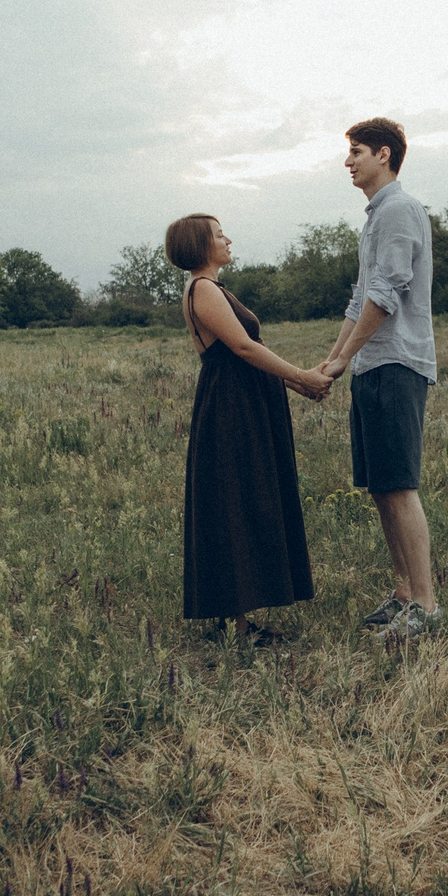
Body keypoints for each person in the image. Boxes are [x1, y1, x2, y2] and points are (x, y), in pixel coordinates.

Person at [309, 117, 441, 639]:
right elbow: (359, 298)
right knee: (382, 488)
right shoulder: (375, 217)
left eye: (357, 152)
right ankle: (404, 594)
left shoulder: (402, 211)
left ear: (384, 155)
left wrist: (348, 358)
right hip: (370, 366)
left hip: (396, 363)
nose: (349, 162)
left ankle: (426, 610)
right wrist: (334, 359)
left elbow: (387, 293)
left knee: (401, 486)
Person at [169, 213, 325, 642]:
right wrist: (302, 377)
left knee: (243, 499)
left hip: (243, 403)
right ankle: (237, 628)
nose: (228, 239)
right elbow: (242, 346)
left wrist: (297, 382)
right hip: (230, 409)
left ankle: (237, 621)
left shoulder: (213, 288)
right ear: (201, 245)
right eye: (220, 235)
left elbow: (249, 349)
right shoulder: (202, 288)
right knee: (234, 502)